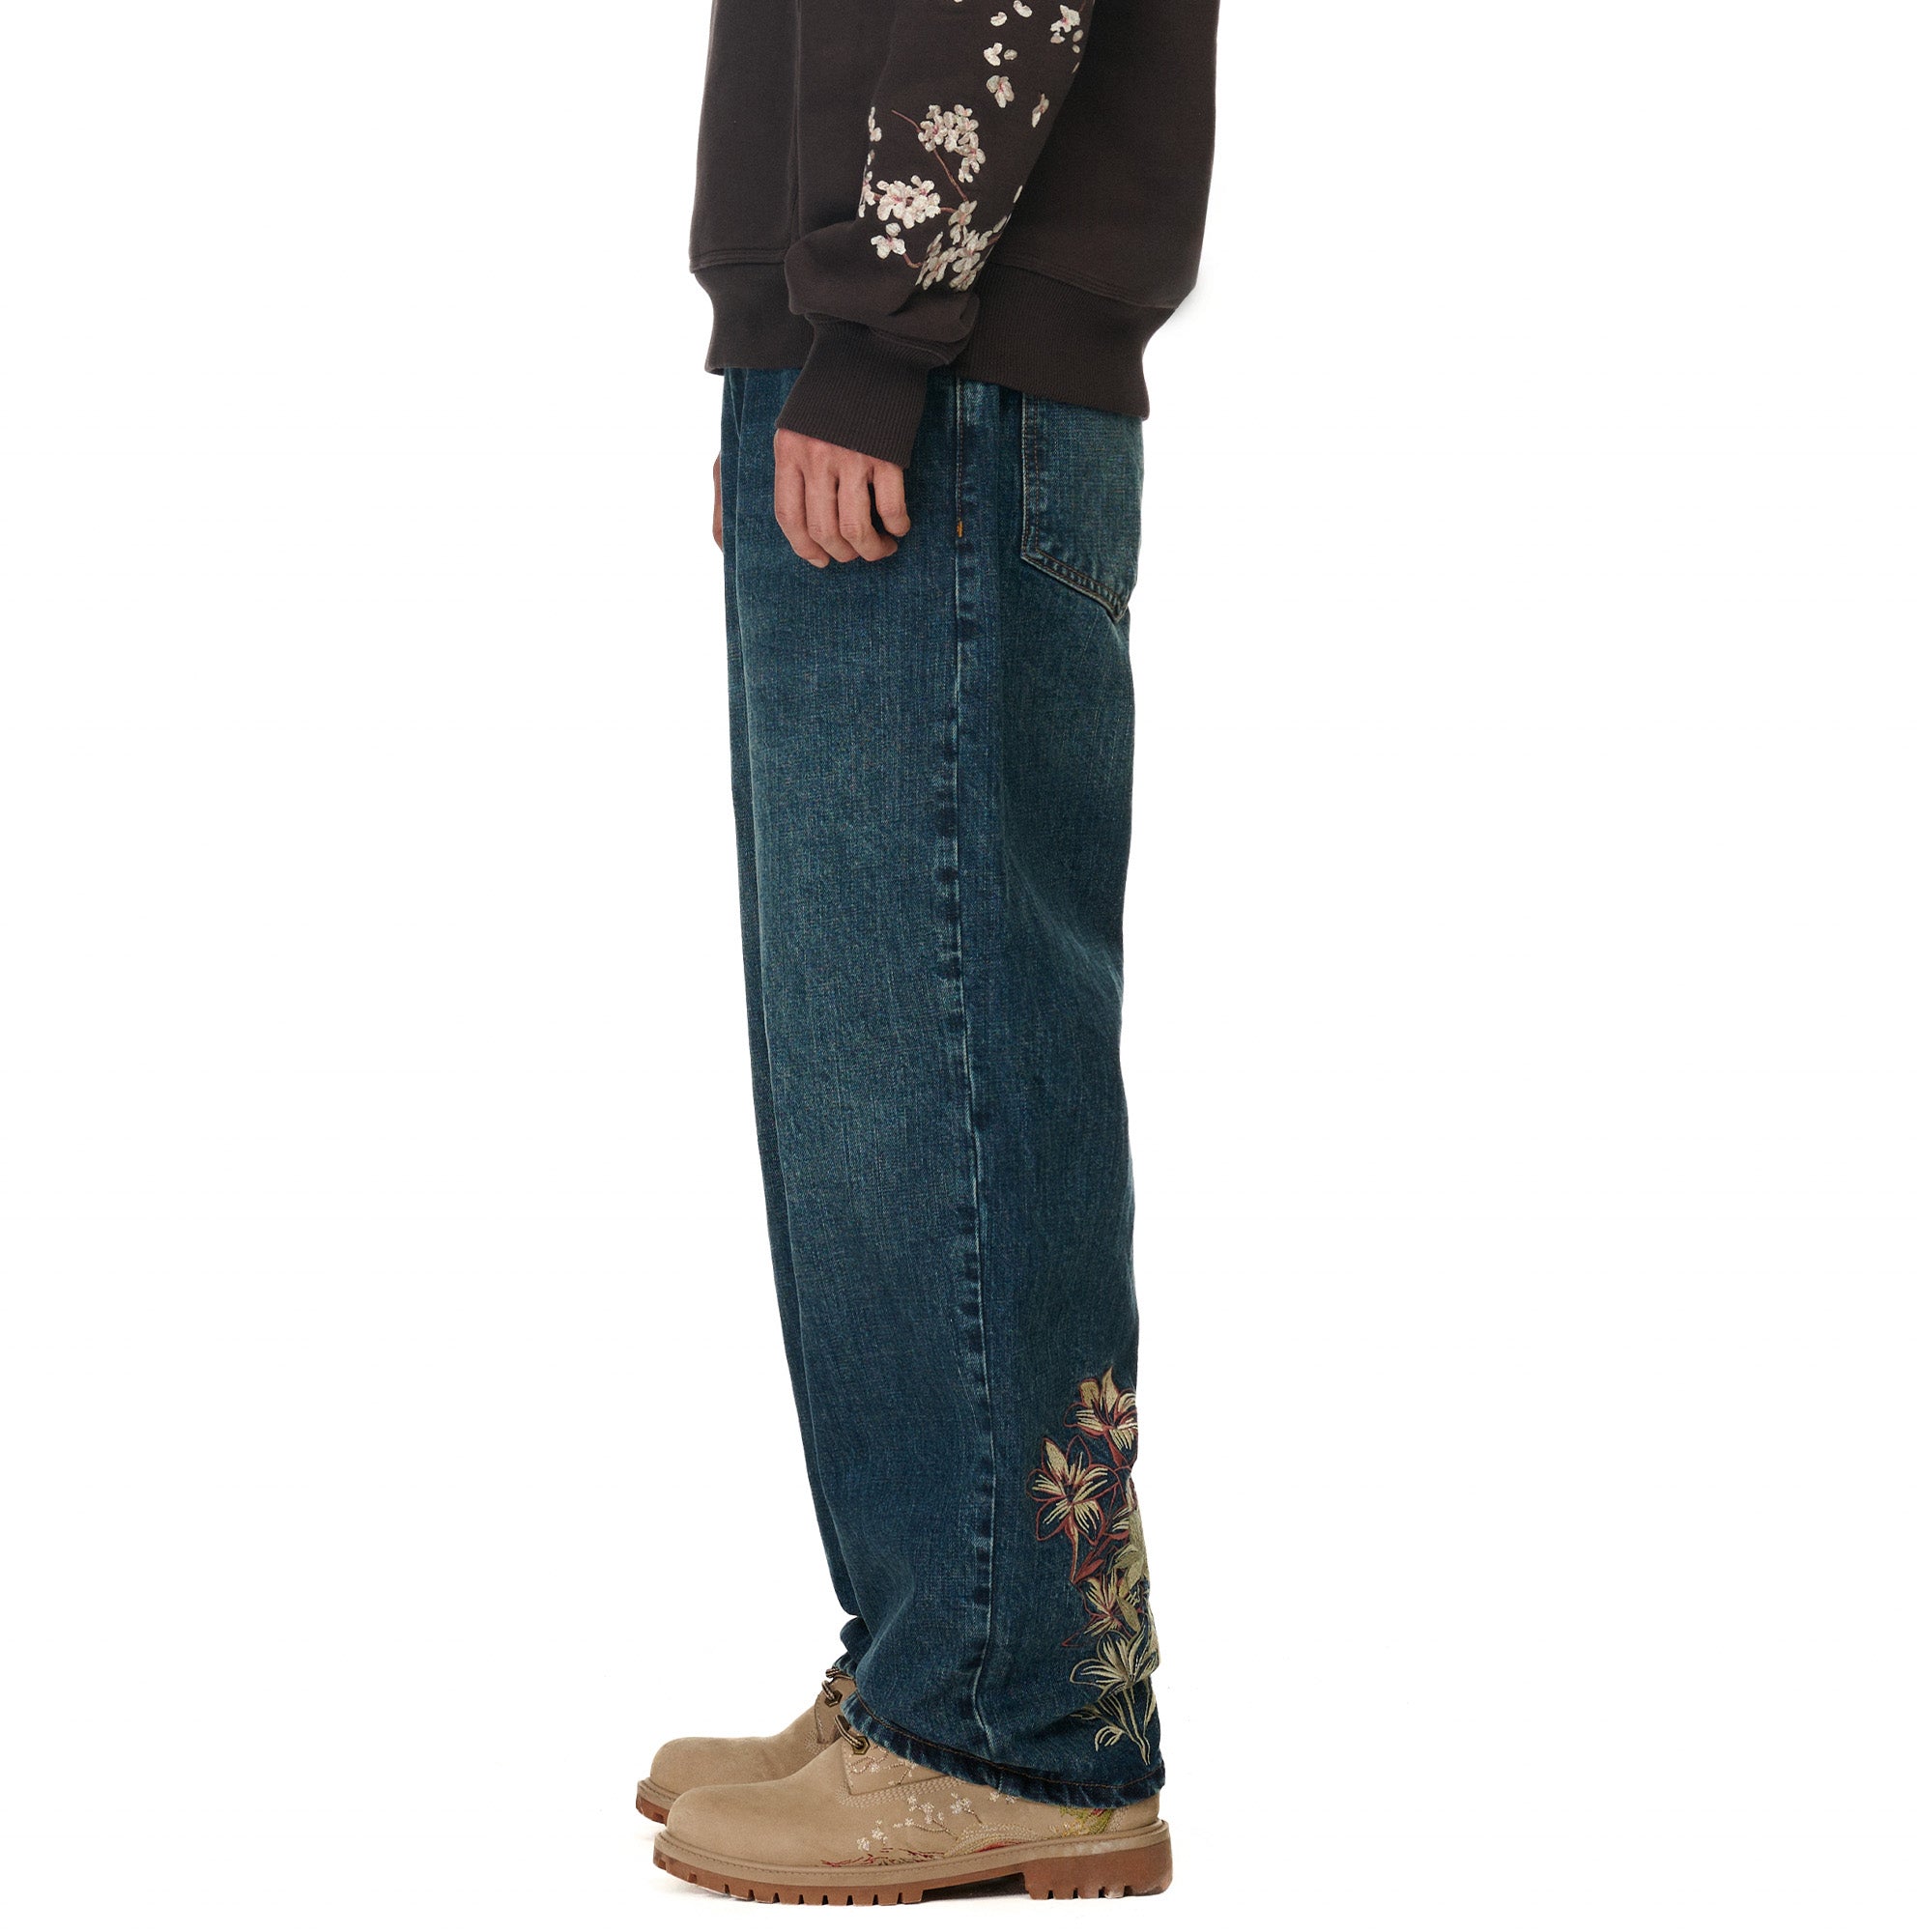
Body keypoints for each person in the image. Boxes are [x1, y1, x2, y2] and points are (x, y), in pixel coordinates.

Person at [642, 0, 1217, 1903]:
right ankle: (936, 1657)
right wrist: (790, 352)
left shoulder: (908, 343)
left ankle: (1008, 1724)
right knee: (868, 1077)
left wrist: (870, 342)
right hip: (895, 347)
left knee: (939, 1075)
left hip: (946, 359)